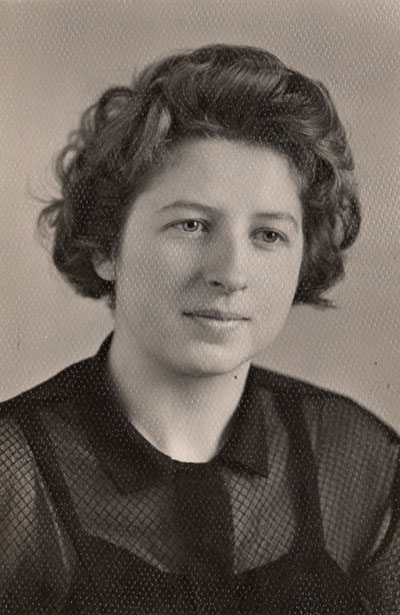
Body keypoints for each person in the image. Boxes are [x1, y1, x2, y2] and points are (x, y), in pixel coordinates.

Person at [0, 43, 398, 615]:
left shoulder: (362, 461)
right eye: (191, 225)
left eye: (268, 235)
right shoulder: (14, 472)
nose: (230, 274)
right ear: (107, 246)